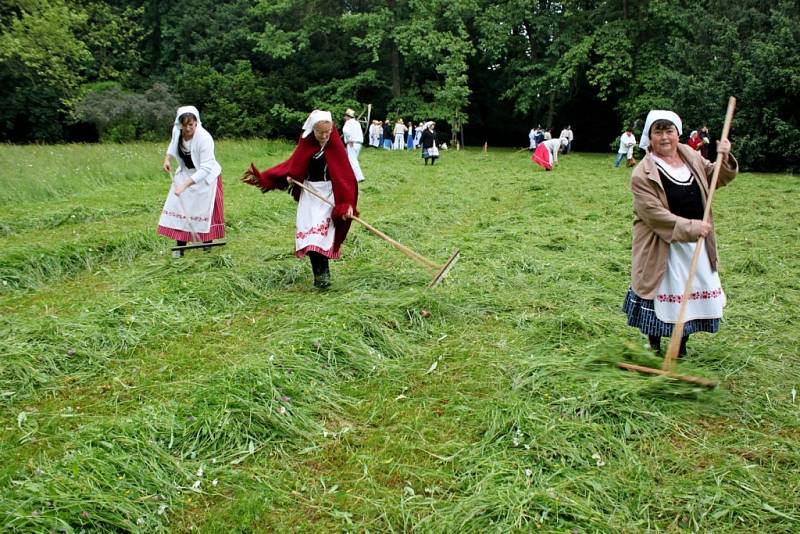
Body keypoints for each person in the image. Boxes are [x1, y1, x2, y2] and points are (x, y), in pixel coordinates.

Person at [622, 110, 738, 356]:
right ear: (650, 137)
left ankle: (681, 348)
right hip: (662, 246)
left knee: (690, 295)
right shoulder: (642, 174)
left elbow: (717, 177)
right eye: (658, 132)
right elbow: (654, 215)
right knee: (663, 295)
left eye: (669, 131)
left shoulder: (691, 157)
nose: (664, 137)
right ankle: (653, 348)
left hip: (695, 245)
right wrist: (693, 228)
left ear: (678, 133)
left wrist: (725, 157)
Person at [241, 110, 358, 289]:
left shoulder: (334, 145)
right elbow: (295, 165)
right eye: (320, 132)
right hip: (310, 193)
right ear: (313, 130)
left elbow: (345, 176)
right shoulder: (306, 143)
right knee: (310, 236)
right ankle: (319, 276)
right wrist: (291, 176)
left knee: (322, 237)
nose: (324, 136)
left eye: (328, 132)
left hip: (328, 194)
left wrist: (347, 204)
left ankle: (323, 274)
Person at [158, 105, 224, 258]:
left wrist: (185, 185)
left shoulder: (205, 138)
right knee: (179, 210)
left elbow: (206, 168)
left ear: (196, 122)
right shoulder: (177, 131)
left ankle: (207, 250)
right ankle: (179, 249)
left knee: (202, 213)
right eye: (184, 125)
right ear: (179, 124)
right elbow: (172, 145)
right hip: (185, 173)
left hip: (205, 178)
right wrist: (167, 159)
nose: (188, 129)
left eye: (191, 125)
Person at [342, 108, 365, 182]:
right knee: (354, 160)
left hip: (352, 142)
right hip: (359, 143)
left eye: (345, 116)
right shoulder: (357, 123)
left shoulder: (348, 123)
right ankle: (353, 176)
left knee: (352, 160)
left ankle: (359, 177)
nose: (345, 117)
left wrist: (349, 139)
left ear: (348, 116)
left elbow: (345, 131)